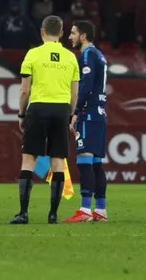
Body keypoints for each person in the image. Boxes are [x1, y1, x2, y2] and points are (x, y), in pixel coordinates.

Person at [11, 15, 80, 225]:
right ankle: (53, 215)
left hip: (38, 108)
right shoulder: (70, 57)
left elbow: (24, 90)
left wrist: (21, 114)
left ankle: (23, 213)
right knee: (58, 161)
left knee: (29, 159)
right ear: (61, 33)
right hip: (61, 110)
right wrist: (70, 114)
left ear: (42, 32)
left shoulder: (33, 54)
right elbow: (74, 93)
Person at [64, 21, 109, 223]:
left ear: (83, 36)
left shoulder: (88, 55)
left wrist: (76, 112)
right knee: (96, 164)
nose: (70, 37)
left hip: (89, 114)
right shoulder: (99, 55)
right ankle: (100, 209)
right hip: (99, 113)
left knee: (84, 160)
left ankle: (84, 210)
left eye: (73, 33)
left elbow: (86, 86)